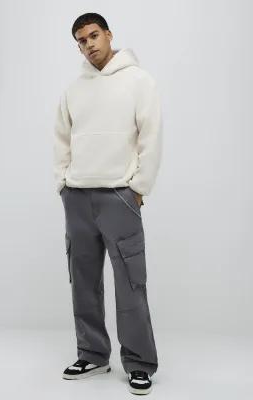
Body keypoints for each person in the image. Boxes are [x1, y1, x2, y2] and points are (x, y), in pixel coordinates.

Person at [52, 12, 163, 395]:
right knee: (83, 281)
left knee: (130, 282)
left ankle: (140, 362)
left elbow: (151, 136)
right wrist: (63, 183)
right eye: (81, 41)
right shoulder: (74, 90)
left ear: (109, 34)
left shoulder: (139, 81)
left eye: (93, 35)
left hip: (119, 195)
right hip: (78, 196)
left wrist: (138, 187)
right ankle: (93, 354)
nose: (89, 45)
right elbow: (61, 138)